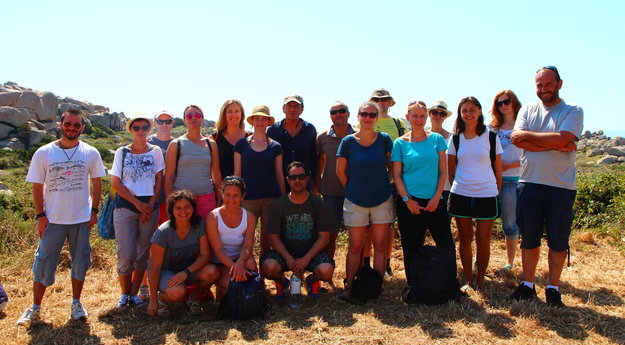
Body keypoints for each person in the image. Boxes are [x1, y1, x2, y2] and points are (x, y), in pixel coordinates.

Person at [17, 109, 106, 325]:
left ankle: (76, 303)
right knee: (44, 261)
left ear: (82, 128)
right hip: (53, 219)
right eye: (68, 124)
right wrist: (40, 215)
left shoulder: (91, 152)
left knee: (80, 261)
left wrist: (93, 212)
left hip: (80, 219)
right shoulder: (44, 153)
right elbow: (37, 187)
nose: (72, 128)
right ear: (61, 124)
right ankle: (35, 306)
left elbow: (97, 184)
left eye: (77, 125)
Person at [509, 66, 583, 307]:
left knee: (558, 241)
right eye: (539, 85)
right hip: (529, 183)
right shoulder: (528, 109)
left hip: (560, 187)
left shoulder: (573, 110)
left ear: (559, 84)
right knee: (529, 238)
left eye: (548, 84)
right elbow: (516, 139)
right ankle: (528, 285)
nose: (543, 89)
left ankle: (553, 288)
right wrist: (556, 143)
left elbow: (562, 138)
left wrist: (535, 139)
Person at [391, 101, 454, 286]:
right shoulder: (400, 143)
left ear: (426, 117)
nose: (418, 120)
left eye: (422, 116)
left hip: (435, 200)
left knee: (446, 244)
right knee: (411, 246)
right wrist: (407, 200)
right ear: (407, 117)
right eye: (414, 116)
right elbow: (397, 175)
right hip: (409, 203)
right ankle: (414, 286)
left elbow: (443, 171)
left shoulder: (436, 140)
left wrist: (437, 197)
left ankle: (449, 284)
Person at [337, 101, 394, 301]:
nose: (368, 118)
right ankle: (350, 287)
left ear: (377, 118)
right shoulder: (348, 142)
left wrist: (380, 186)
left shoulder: (385, 140)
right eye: (364, 114)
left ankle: (376, 289)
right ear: (358, 116)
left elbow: (391, 168)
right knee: (355, 247)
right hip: (355, 200)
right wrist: (353, 189)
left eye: (372, 115)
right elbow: (340, 172)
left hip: (381, 199)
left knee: (379, 246)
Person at [447, 97, 502, 291]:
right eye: (464, 111)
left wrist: (496, 190)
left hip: (487, 194)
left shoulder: (491, 137)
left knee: (483, 239)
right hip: (461, 194)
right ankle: (468, 279)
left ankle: (481, 279)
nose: (468, 114)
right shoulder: (455, 138)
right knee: (465, 239)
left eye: (472, 110)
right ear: (460, 114)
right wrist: (462, 186)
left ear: (479, 111)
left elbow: (498, 169)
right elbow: (451, 169)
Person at [110, 113, 164, 308]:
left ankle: (134, 295)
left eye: (144, 127)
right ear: (131, 130)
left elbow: (159, 179)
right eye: (136, 128)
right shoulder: (121, 152)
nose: (140, 131)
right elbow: (116, 182)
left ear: (149, 129)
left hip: (150, 209)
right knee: (126, 253)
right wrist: (139, 204)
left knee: (142, 254)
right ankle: (124, 294)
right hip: (125, 208)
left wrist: (149, 204)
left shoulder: (156, 151)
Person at [260, 162, 335, 299]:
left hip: (310, 251)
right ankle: (283, 282)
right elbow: (273, 237)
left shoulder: (317, 203)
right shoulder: (279, 205)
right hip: (286, 251)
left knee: (326, 271)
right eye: (293, 177)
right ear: (287, 180)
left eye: (301, 176)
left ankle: (311, 281)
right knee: (268, 267)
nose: (297, 180)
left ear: (307, 179)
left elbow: (324, 237)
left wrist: (306, 259)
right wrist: (289, 259)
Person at [147, 190, 220, 316]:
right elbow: (154, 267)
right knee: (177, 292)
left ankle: (194, 298)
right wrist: (152, 300)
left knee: (212, 272)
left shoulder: (199, 225)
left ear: (193, 208)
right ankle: (162, 300)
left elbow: (205, 255)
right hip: (166, 272)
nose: (183, 212)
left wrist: (186, 273)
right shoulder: (163, 233)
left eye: (187, 207)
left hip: (187, 270)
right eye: (178, 208)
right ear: (172, 210)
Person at [234, 105, 286, 255]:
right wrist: (236, 197)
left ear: (268, 122)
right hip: (248, 198)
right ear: (252, 121)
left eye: (264, 119)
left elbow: (279, 175)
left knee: (267, 239)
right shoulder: (241, 144)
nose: (260, 122)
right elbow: (237, 173)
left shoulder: (276, 146)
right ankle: (246, 272)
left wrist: (282, 199)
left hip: (271, 197)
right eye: (257, 118)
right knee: (245, 238)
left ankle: (264, 274)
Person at [368, 89, 408, 277]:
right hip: (369, 181)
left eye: (385, 100)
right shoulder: (366, 122)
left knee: (389, 225)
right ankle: (366, 263)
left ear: (390, 102)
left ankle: (386, 264)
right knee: (367, 225)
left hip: (393, 181)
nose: (381, 103)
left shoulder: (399, 124)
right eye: (377, 99)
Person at [165, 105, 222, 219]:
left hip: (207, 198)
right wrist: (169, 202)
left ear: (202, 118)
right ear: (184, 120)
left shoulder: (211, 144)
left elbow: (216, 173)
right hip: (182, 201)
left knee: (207, 234)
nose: (193, 118)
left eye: (197, 115)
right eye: (189, 116)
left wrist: (219, 198)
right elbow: (169, 176)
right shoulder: (176, 144)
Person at [206, 177, 258, 299]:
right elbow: (218, 250)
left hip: (239, 260)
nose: (231, 199)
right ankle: (221, 288)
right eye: (227, 195)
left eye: (236, 195)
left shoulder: (249, 217)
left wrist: (240, 262)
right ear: (221, 194)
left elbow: (248, 245)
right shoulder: (213, 217)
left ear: (242, 196)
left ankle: (253, 297)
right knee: (232, 284)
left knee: (251, 265)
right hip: (219, 262)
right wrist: (235, 268)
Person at [315, 101, 354, 261]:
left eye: (341, 110)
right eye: (334, 112)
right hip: (330, 193)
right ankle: (328, 267)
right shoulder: (322, 138)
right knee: (330, 234)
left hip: (355, 192)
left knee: (357, 235)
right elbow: (320, 162)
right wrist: (317, 185)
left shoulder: (358, 136)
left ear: (348, 113)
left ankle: (356, 273)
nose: (338, 114)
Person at [489, 91, 523, 272]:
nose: (503, 106)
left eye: (506, 102)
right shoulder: (492, 128)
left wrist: (510, 165)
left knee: (510, 224)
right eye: (499, 103)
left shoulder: (523, 126)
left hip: (513, 179)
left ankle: (510, 263)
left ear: (514, 103)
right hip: (492, 180)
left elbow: (530, 154)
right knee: (485, 221)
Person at [267, 95, 317, 191]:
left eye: (296, 106)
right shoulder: (273, 130)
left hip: (304, 183)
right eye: (289, 106)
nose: (292, 109)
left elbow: (313, 157)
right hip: (279, 184)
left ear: (302, 109)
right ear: (283, 108)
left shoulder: (310, 129)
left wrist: (314, 182)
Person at [210, 100, 250, 179]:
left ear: (242, 114)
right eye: (230, 111)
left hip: (249, 189)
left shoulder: (251, 137)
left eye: (237, 111)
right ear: (224, 115)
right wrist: (220, 191)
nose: (233, 114)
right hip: (223, 189)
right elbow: (213, 171)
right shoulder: (214, 139)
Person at [148, 108, 175, 225]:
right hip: (150, 197)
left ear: (172, 123)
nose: (164, 124)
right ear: (155, 123)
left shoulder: (178, 143)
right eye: (160, 121)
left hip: (170, 195)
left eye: (168, 121)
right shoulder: (146, 142)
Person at [427, 101, 453, 205]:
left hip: (447, 188)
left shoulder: (453, 137)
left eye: (442, 113)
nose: (438, 116)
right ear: (429, 114)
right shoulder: (420, 137)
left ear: (445, 117)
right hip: (425, 188)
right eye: (435, 112)